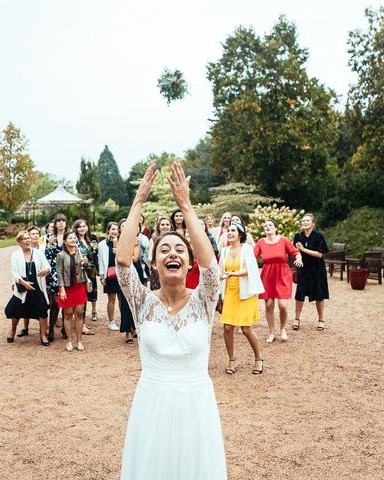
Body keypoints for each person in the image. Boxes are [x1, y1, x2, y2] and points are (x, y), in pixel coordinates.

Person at [116, 160, 227, 480]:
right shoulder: (141, 302)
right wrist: (138, 202)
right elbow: (123, 261)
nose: (172, 253)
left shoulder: (205, 299)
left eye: (180, 249)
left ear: (189, 260)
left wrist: (186, 207)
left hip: (196, 406)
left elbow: (211, 268)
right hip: (151, 404)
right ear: (154, 262)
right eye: (164, 249)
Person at [219, 222, 265, 375]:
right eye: (228, 230)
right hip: (229, 292)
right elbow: (221, 270)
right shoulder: (224, 251)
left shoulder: (247, 249)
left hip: (245, 292)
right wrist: (220, 280)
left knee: (245, 329)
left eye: (233, 230)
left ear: (240, 234)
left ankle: (258, 359)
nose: (230, 232)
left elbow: (248, 270)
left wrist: (232, 274)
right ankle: (231, 360)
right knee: (227, 328)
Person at [254, 219, 303, 343]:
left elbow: (295, 252)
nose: (268, 227)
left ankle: (282, 329)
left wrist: (299, 258)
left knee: (283, 305)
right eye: (265, 225)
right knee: (269, 305)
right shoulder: (261, 242)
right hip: (268, 275)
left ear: (276, 228)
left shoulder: (283, 240)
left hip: (282, 274)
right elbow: (252, 258)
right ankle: (271, 332)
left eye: (270, 225)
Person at [5, 231, 51, 346]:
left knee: (42, 310)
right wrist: (24, 283)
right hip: (22, 287)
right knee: (16, 310)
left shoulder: (38, 253)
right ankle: (13, 330)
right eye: (24, 239)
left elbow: (48, 267)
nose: (27, 241)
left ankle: (43, 335)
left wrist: (45, 270)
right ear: (19, 242)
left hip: (37, 286)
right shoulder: (15, 255)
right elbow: (14, 272)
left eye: (28, 238)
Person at [293, 213, 329, 331]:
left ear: (313, 223)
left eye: (307, 220)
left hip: (317, 270)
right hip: (303, 269)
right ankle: (296, 319)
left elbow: (319, 254)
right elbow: (295, 252)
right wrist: (298, 256)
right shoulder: (298, 236)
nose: (305, 222)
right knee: (299, 294)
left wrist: (303, 249)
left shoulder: (319, 236)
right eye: (303, 220)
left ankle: (321, 320)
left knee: (319, 295)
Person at [56, 230, 89, 351]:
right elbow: (59, 273)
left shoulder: (81, 252)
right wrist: (62, 289)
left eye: (74, 238)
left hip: (79, 286)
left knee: (79, 314)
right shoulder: (60, 255)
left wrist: (86, 263)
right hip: (67, 288)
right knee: (68, 314)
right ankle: (69, 340)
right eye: (70, 238)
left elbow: (87, 268)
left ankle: (79, 341)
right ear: (65, 241)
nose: (73, 240)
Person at [17, 225, 46, 338]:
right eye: (32, 234)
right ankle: (25, 328)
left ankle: (43, 330)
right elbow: (16, 268)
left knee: (41, 304)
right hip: (26, 280)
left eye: (36, 234)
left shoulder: (43, 248)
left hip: (42, 278)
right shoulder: (20, 252)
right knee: (26, 302)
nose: (34, 236)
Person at [118, 218, 143, 344]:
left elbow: (134, 258)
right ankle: (127, 331)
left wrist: (123, 254)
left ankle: (135, 327)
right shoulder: (117, 241)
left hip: (136, 271)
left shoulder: (136, 241)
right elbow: (119, 259)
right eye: (123, 226)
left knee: (137, 301)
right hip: (123, 273)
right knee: (125, 302)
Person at [73, 219, 97, 334]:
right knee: (80, 299)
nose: (82, 228)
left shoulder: (88, 239)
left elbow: (92, 255)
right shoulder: (75, 240)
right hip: (80, 272)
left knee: (86, 298)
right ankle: (80, 325)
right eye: (80, 227)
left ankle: (82, 323)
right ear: (76, 229)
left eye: (84, 226)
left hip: (90, 272)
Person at [98, 222, 121, 331]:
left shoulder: (122, 241)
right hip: (110, 273)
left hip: (121, 272)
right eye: (112, 229)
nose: (115, 231)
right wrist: (102, 276)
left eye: (116, 229)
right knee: (111, 298)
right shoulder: (103, 244)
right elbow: (101, 260)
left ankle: (124, 319)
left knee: (122, 298)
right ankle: (111, 321)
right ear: (108, 230)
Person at [147, 216, 172, 291]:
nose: (165, 227)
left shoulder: (174, 238)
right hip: (157, 270)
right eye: (163, 225)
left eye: (167, 225)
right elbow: (150, 257)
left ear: (170, 226)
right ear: (158, 227)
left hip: (171, 268)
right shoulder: (153, 239)